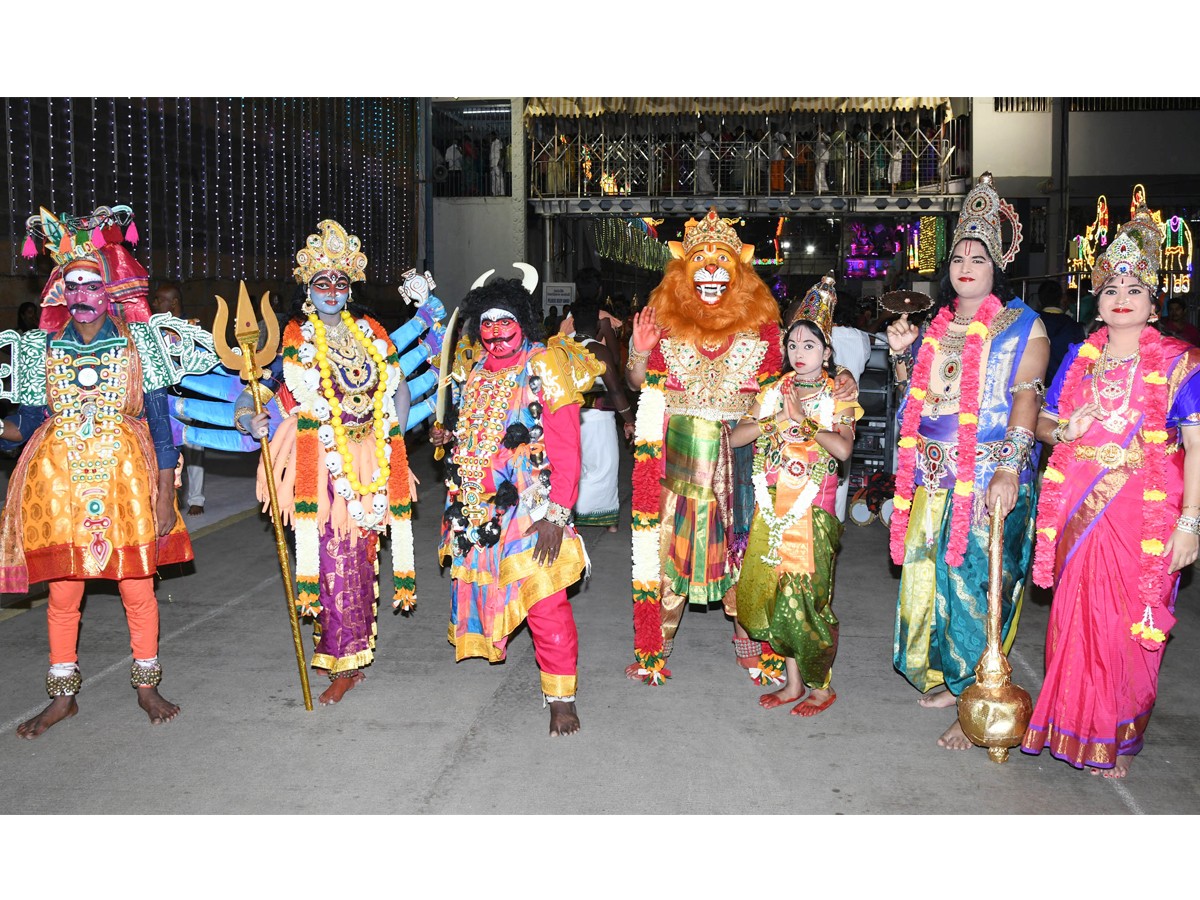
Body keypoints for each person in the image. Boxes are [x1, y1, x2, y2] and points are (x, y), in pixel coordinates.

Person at [0, 204, 216, 738]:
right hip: (59, 485)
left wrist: (166, 493)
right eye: (70, 285)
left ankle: (146, 685)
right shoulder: (35, 350)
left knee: (137, 587)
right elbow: (25, 427)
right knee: (62, 593)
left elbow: (162, 427)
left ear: (109, 287)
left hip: (126, 480)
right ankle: (62, 696)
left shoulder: (143, 345)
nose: (81, 296)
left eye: (90, 284)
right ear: (58, 292)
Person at [625, 209, 860, 686]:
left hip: (742, 458)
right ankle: (655, 650)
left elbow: (794, 381)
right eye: (700, 261)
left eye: (722, 262)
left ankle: (754, 647)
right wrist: (637, 348)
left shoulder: (763, 334)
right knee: (668, 547)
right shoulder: (666, 328)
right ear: (682, 272)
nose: (711, 271)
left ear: (740, 273)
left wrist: (841, 380)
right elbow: (640, 384)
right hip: (680, 458)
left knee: (746, 551)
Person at [1022, 210, 1200, 777]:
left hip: (1143, 514)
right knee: (1074, 617)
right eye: (1112, 287)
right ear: (1095, 299)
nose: (1122, 296)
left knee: (1130, 622)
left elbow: (1196, 448)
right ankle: (1072, 724)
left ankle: (1114, 731)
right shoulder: (1080, 358)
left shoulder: (1181, 364)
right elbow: (1046, 425)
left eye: (1136, 287)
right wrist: (1066, 429)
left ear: (1156, 301)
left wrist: (1191, 523)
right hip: (1078, 504)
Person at [886, 174, 1049, 750]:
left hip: (984, 474)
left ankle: (977, 694)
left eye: (978, 255)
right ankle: (952, 681)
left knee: (978, 583)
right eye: (958, 254)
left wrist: (1010, 467)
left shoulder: (1023, 325)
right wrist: (904, 363)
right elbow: (920, 406)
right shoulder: (936, 326)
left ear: (996, 265)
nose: (966, 263)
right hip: (931, 473)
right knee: (929, 579)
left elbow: (1027, 398)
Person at [245, 219, 415, 706]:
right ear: (307, 290)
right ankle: (340, 659)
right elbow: (259, 393)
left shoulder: (369, 333)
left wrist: (392, 440)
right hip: (319, 463)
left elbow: (396, 386)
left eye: (340, 283)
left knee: (361, 559)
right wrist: (249, 421)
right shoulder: (296, 340)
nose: (333, 291)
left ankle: (354, 656)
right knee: (332, 560)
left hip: (371, 460)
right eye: (323, 283)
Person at [430, 268, 600, 736]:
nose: (495, 331)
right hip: (478, 509)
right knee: (499, 595)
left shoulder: (546, 364)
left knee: (545, 601)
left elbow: (567, 447)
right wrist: (446, 436)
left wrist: (556, 515)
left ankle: (561, 698)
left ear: (523, 321)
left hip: (533, 507)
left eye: (505, 320)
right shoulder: (476, 370)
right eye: (485, 322)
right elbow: (473, 436)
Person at [732, 275, 862, 715]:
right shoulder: (774, 391)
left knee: (809, 598)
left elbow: (843, 449)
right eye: (793, 346)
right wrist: (774, 422)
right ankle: (792, 683)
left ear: (827, 353)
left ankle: (821, 686)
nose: (799, 354)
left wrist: (805, 423)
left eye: (810, 346)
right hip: (773, 508)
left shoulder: (838, 394)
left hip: (813, 511)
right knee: (776, 594)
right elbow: (736, 437)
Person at [569, 269, 635, 531]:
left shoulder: (560, 346)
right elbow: (616, 389)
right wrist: (629, 420)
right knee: (604, 465)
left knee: (575, 463)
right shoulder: (600, 350)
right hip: (597, 414)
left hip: (567, 413)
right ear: (597, 326)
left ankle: (572, 511)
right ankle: (606, 520)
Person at [152, 282, 208, 516]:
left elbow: (203, 363)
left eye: (159, 299)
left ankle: (196, 498)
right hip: (163, 398)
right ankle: (170, 497)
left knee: (194, 449)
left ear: (173, 303)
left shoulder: (193, 328)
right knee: (165, 449)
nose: (154, 303)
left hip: (189, 398)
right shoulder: (153, 329)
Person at [1033, 280, 1085, 385]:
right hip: (1063, 386)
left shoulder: (1031, 323)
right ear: (1062, 299)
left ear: (1039, 299)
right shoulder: (1074, 326)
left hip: (1036, 385)